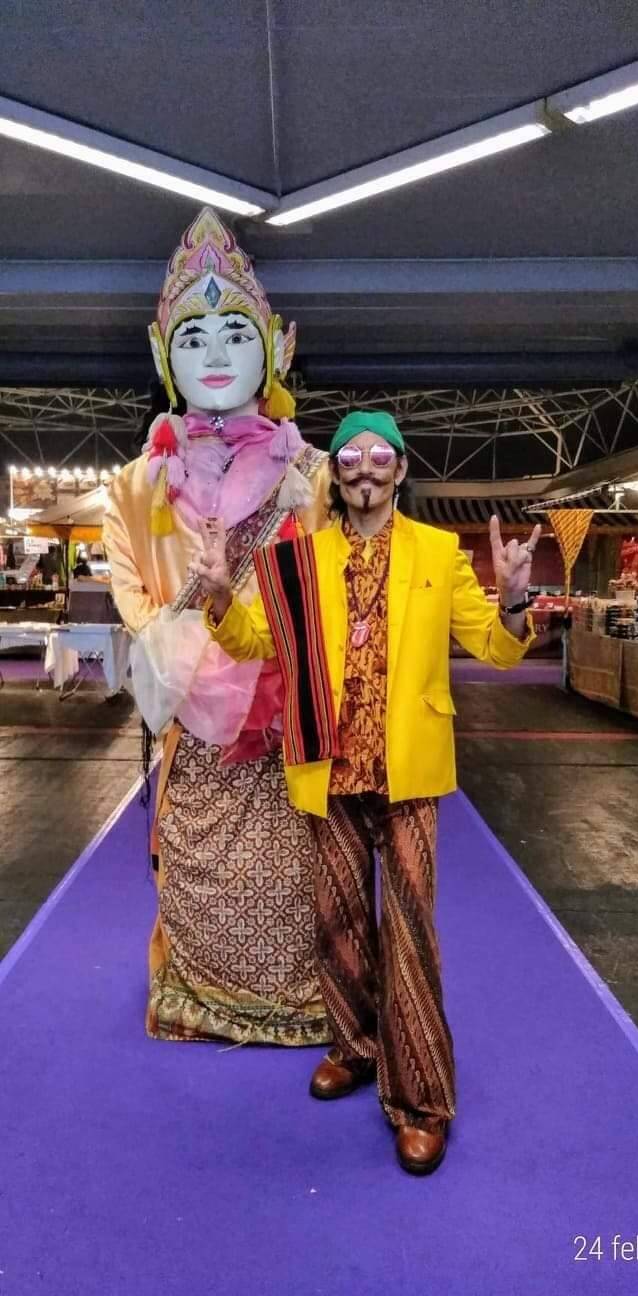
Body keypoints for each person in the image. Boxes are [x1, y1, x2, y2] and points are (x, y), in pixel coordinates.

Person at [195, 409, 540, 1174]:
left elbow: (495, 647)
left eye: (378, 455)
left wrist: (513, 601)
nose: (363, 469)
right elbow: (255, 643)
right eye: (349, 458)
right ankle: (353, 1047)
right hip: (327, 764)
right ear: (336, 475)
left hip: (409, 771)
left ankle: (421, 1101)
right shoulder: (297, 560)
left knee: (409, 930)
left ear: (400, 469)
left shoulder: (439, 552)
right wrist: (219, 597)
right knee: (339, 921)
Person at [103, 207, 331, 1048]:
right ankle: (198, 995)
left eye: (235, 334)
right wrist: (183, 645)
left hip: (282, 714)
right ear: (163, 355)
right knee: (195, 864)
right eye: (192, 339)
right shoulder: (139, 483)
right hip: (192, 717)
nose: (215, 355)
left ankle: (302, 1000)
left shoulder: (310, 473)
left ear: (275, 348)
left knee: (291, 865)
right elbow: (128, 583)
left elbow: (337, 586)